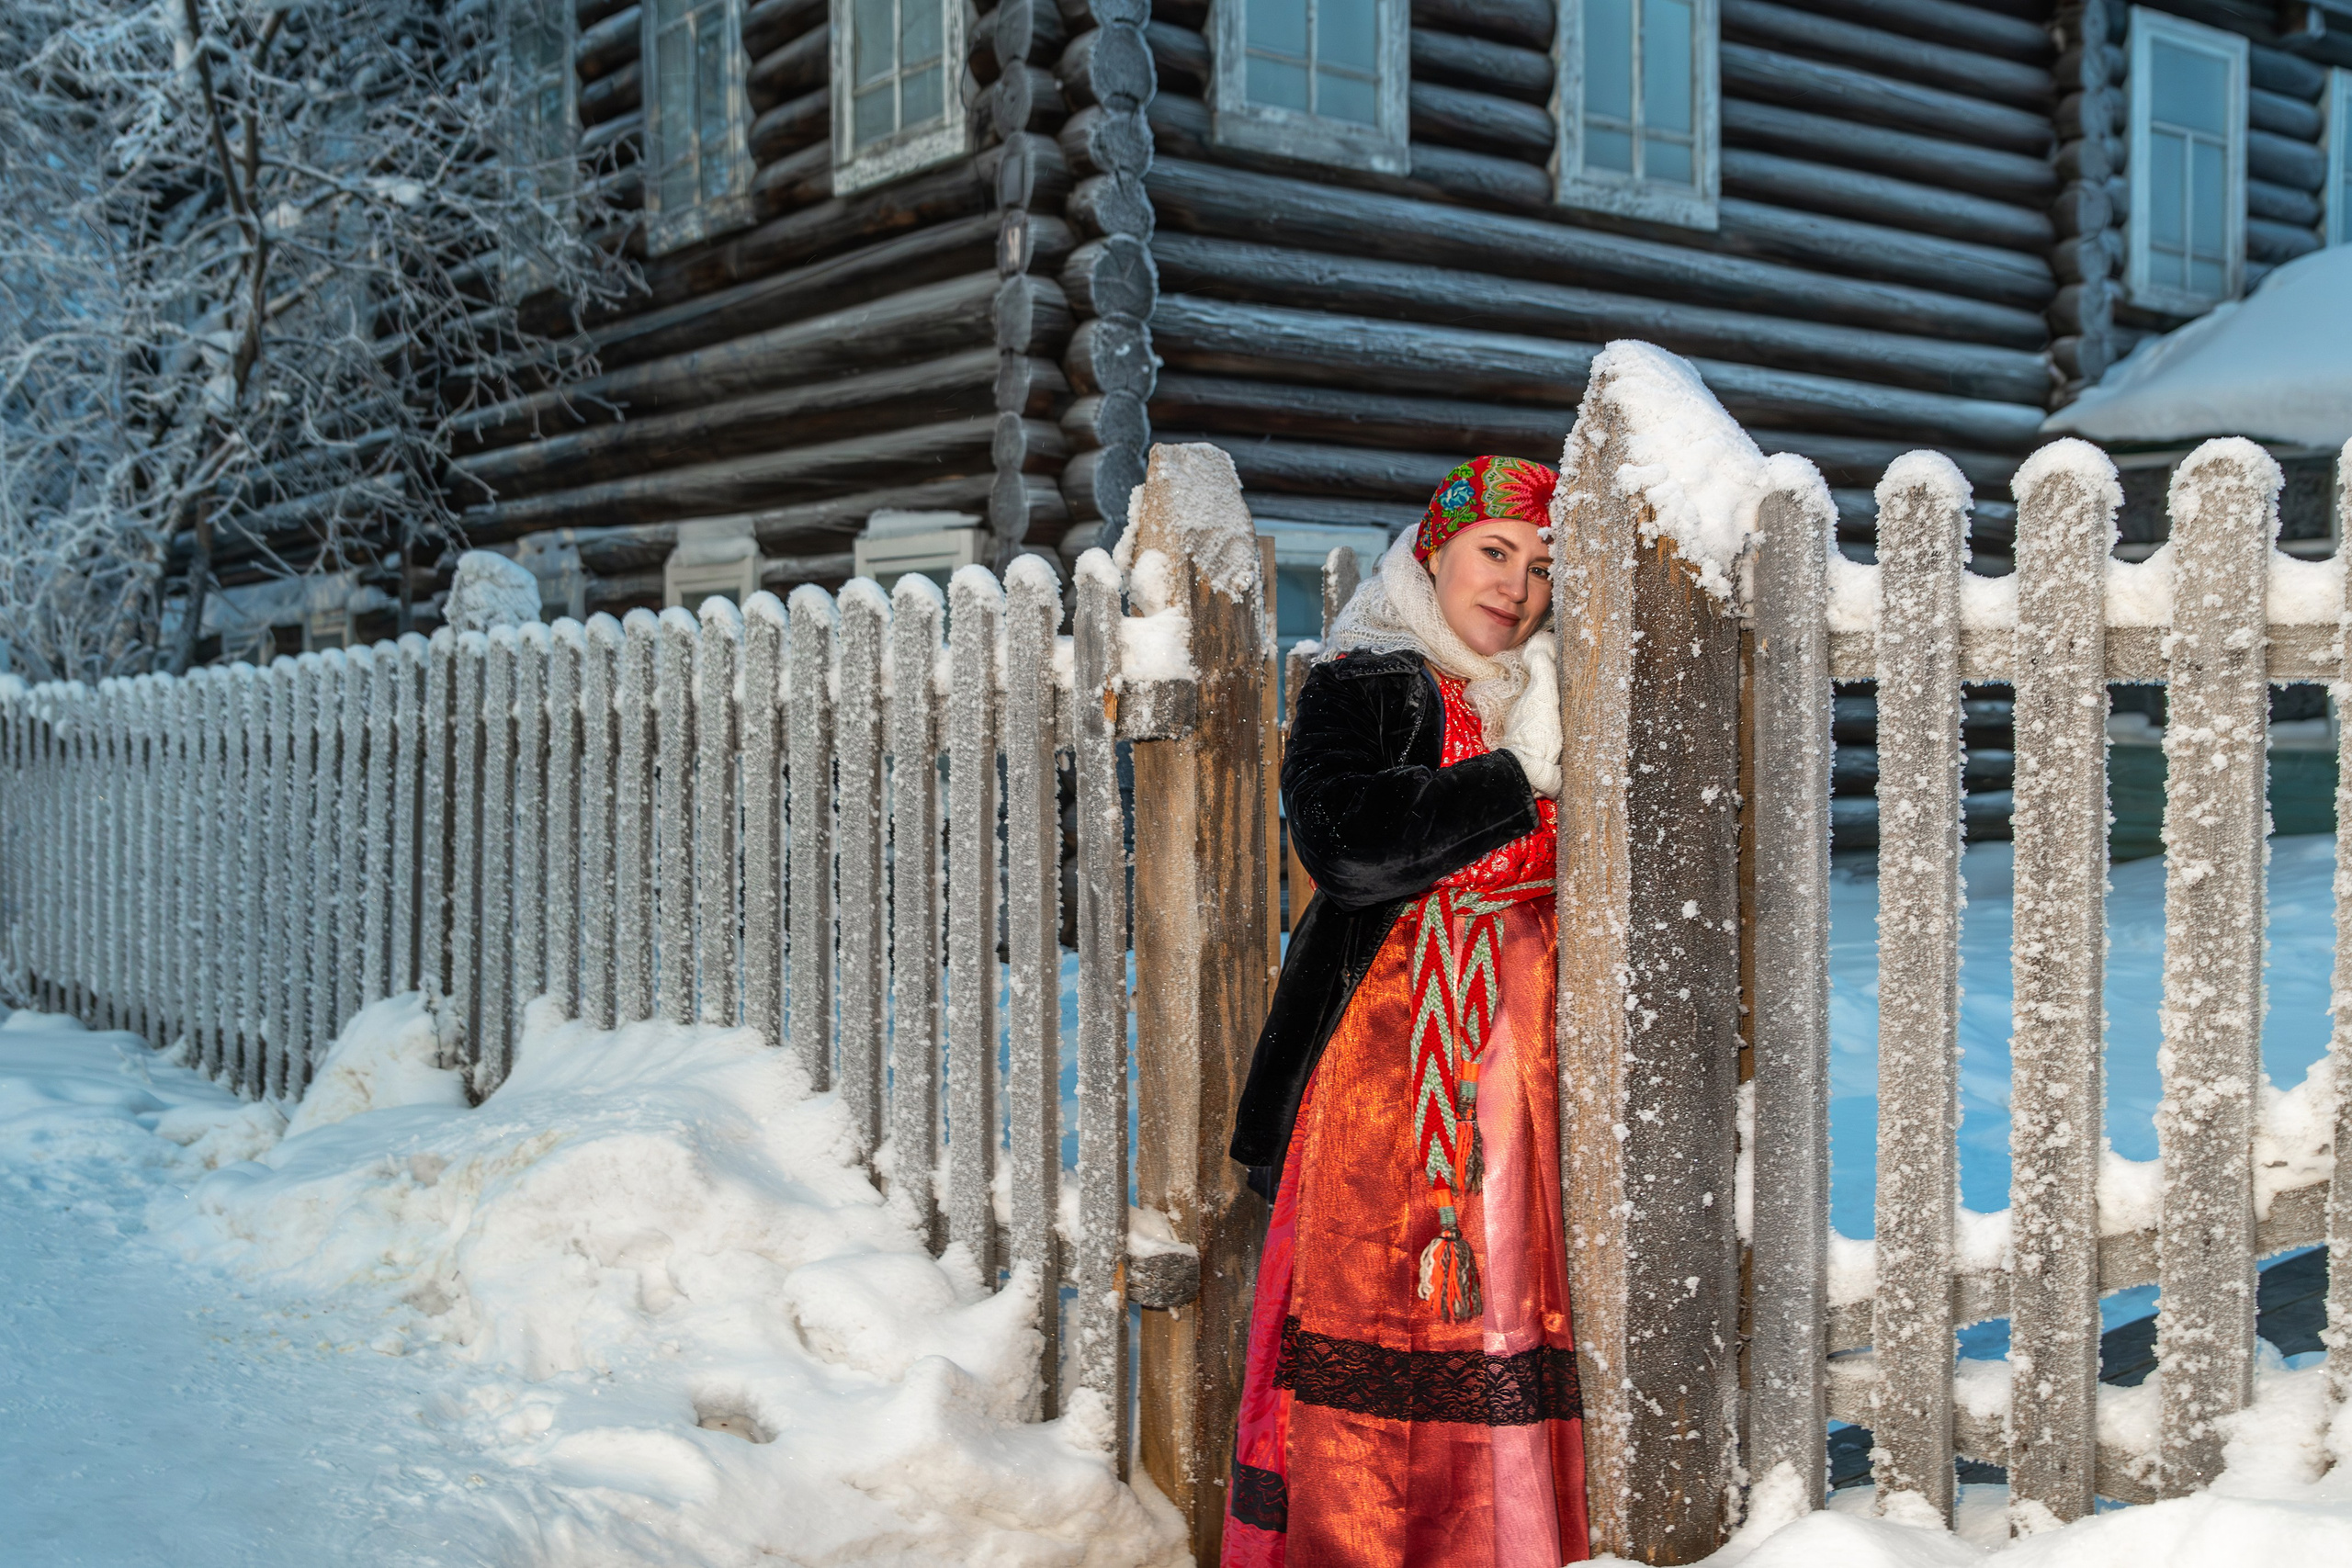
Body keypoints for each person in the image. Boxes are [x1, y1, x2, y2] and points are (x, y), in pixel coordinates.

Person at [1222, 456, 1588, 1568]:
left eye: (1541, 567)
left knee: (1514, 1299)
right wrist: (1515, 775)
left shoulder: (1560, 685)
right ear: (1433, 553)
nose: (1515, 587)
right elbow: (1347, 845)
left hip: (1532, 1051)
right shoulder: (1370, 678)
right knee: (1387, 1290)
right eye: (1494, 553)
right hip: (1384, 1054)